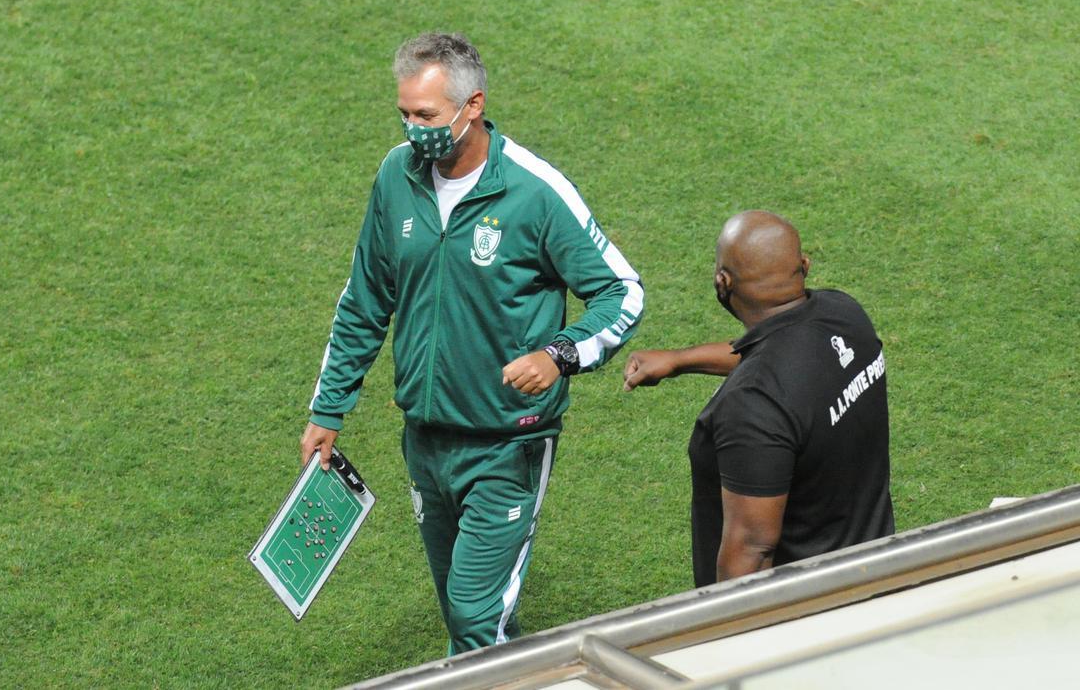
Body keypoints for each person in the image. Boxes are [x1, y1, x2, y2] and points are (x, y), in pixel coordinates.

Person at [301, 32, 644, 653]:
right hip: (426, 441)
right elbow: (364, 301)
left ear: (473, 106)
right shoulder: (396, 178)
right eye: (404, 114)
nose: (413, 131)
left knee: (475, 617)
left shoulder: (535, 192)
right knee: (463, 612)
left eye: (425, 116)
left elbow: (622, 292)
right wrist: (328, 410)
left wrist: (558, 355)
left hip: (508, 444)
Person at [623, 210, 893, 586]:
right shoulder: (845, 315)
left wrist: (728, 638)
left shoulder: (751, 408)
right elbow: (780, 353)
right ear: (804, 265)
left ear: (723, 281)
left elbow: (751, 552)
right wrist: (680, 360)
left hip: (809, 612)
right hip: (873, 572)